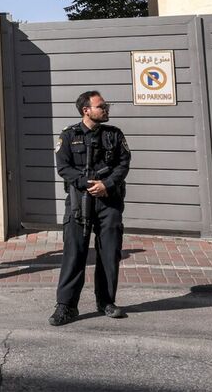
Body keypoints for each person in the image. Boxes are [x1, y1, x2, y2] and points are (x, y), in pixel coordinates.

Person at [49, 90, 132, 326]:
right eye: (101, 106)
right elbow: (63, 167)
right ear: (86, 110)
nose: (106, 109)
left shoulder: (114, 135)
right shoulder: (68, 135)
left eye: (105, 106)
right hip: (79, 200)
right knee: (74, 253)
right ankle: (66, 306)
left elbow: (124, 163)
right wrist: (88, 184)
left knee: (109, 252)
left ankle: (105, 301)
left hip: (109, 201)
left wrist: (106, 184)